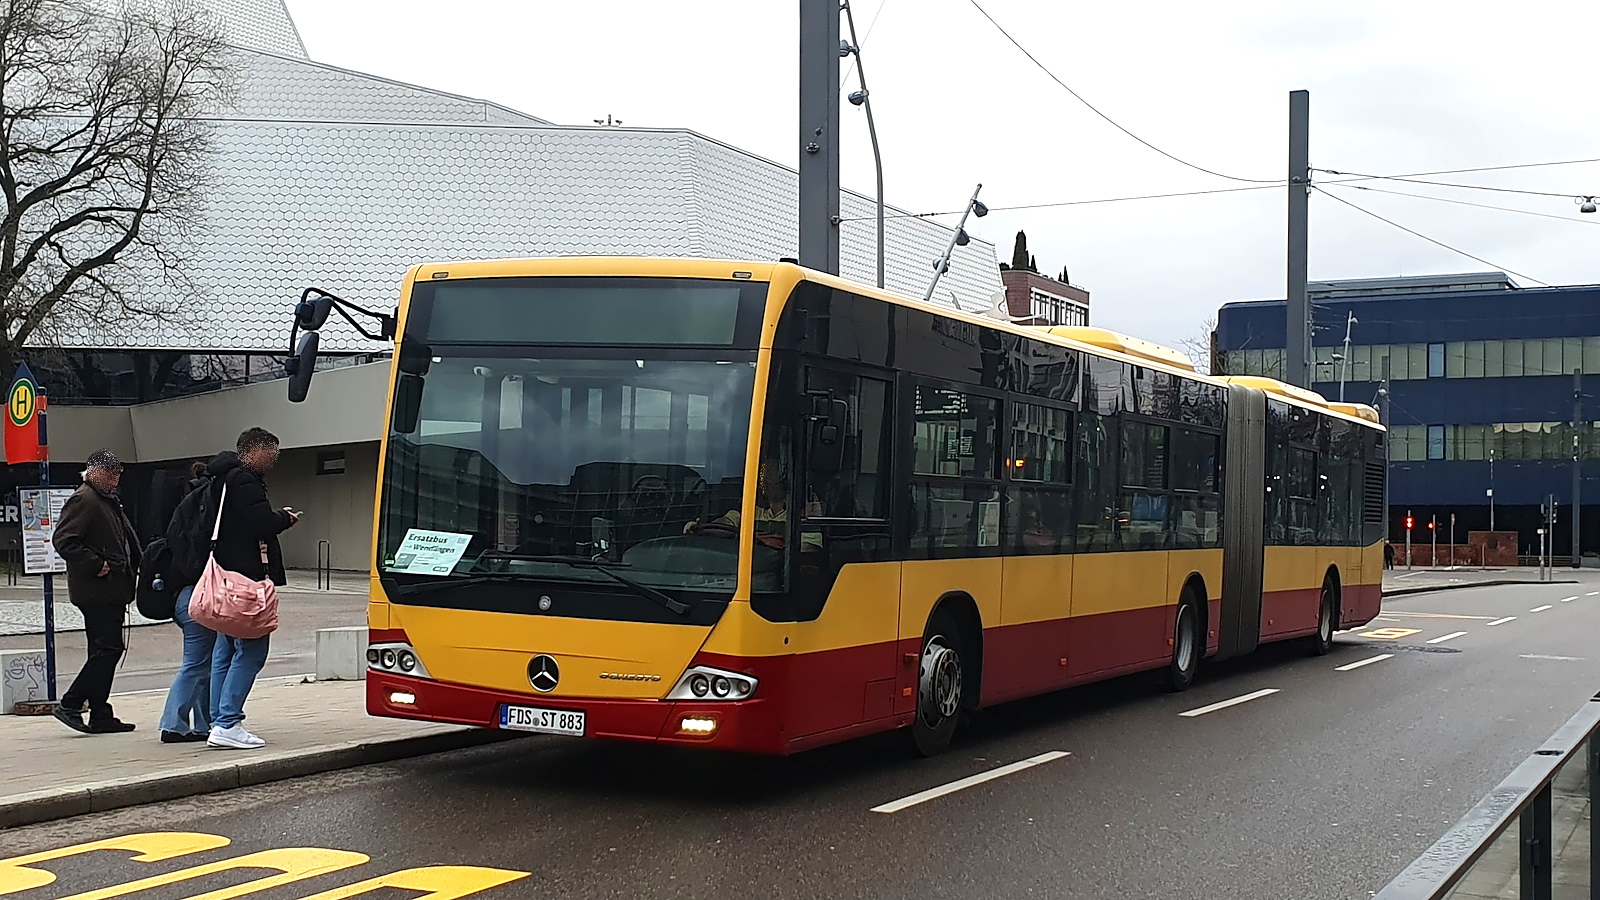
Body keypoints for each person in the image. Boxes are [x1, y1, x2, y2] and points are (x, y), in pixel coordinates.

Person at [204, 428, 299, 750]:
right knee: (252, 650)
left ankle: (217, 720)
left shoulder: (219, 480)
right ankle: (228, 723)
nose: (275, 460)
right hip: (246, 580)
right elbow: (260, 523)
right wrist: (284, 519)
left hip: (227, 578)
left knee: (225, 651)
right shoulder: (245, 481)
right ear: (256, 450)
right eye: (273, 453)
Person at [50, 450, 140, 734]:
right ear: (96, 472)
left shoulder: (105, 500)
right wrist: (97, 564)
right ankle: (71, 703)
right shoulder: (85, 499)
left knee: (104, 649)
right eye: (111, 475)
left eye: (117, 476)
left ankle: (100, 712)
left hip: (110, 588)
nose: (115, 481)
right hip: (97, 589)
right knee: (108, 649)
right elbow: (64, 540)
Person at [156, 462, 217, 744]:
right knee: (196, 665)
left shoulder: (185, 506)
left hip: (183, 596)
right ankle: (173, 723)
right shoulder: (210, 505)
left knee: (202, 663)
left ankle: (204, 724)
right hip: (200, 596)